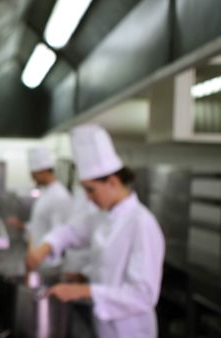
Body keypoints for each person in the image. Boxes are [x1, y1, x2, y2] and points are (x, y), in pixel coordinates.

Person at [26, 124, 165, 338]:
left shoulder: (141, 223)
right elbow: (72, 231)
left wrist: (83, 290)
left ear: (112, 181)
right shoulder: (102, 215)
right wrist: (47, 248)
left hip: (130, 331)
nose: (88, 198)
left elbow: (142, 295)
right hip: (103, 327)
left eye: (91, 190)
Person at [8, 146, 72, 269]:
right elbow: (40, 226)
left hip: (49, 265)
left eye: (33, 173)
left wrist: (42, 257)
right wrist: (22, 226)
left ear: (44, 170)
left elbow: (60, 234)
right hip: (37, 260)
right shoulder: (46, 193)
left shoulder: (60, 196)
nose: (32, 177)